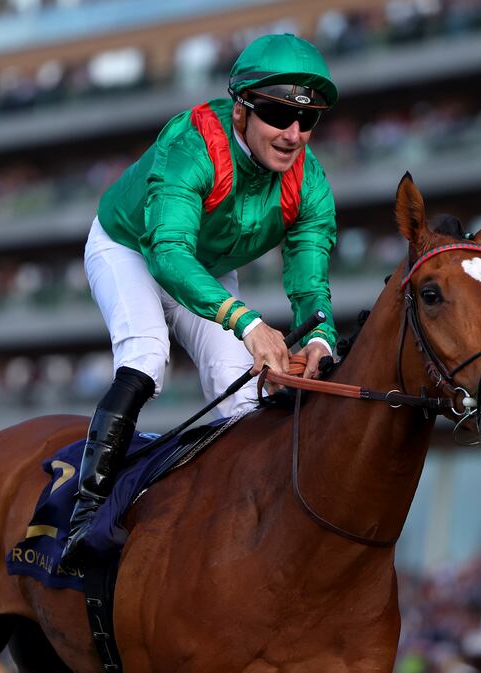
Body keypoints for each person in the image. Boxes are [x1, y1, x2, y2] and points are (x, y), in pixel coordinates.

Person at [63, 33, 341, 562]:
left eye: (308, 121)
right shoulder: (193, 142)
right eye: (279, 114)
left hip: (209, 269)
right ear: (241, 110)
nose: (293, 134)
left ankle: (236, 530)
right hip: (132, 250)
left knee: (241, 397)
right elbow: (167, 254)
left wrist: (322, 340)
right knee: (146, 358)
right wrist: (248, 322)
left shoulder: (311, 183)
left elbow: (309, 286)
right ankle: (85, 515)